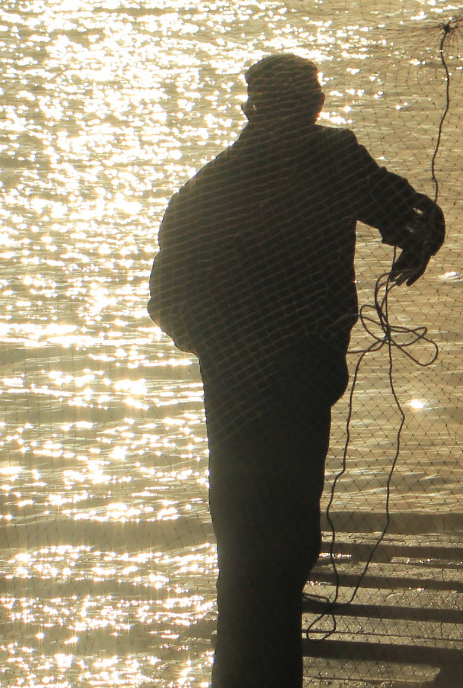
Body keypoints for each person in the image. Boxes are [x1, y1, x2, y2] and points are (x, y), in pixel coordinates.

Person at [148, 53, 445, 688]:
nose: (308, 110)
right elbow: (171, 300)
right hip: (277, 387)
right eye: (305, 99)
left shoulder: (236, 183)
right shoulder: (307, 166)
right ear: (292, 106)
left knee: (259, 545)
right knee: (270, 545)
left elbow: (406, 212)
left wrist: (424, 227)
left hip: (261, 389)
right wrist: (243, 350)